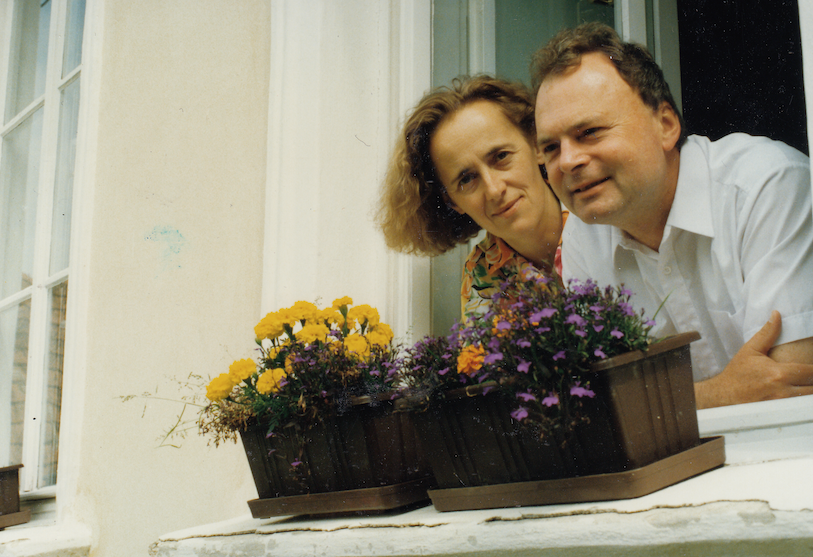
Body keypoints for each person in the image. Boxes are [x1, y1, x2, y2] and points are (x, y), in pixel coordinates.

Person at [531, 22, 813, 409]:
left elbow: (791, 385)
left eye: (590, 132)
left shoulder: (766, 184)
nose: (567, 161)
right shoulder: (583, 238)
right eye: (550, 148)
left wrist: (657, 404)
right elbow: (599, 406)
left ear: (665, 126)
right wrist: (722, 393)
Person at [377, 75, 564, 318]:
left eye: (501, 157)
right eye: (466, 179)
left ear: (536, 145)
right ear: (452, 202)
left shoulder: (595, 213)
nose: (494, 189)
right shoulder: (480, 274)